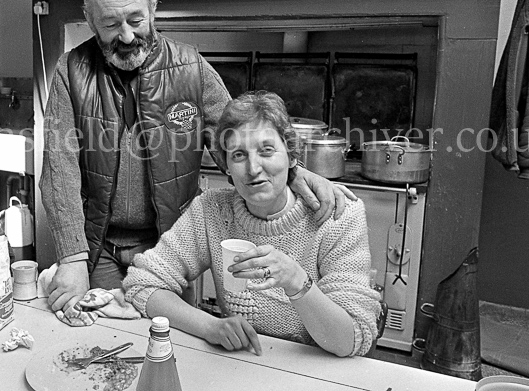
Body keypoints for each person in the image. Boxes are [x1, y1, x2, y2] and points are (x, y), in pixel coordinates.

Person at [41, 0, 355, 316]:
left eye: (135, 19)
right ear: (90, 17)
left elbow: (238, 141)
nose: (126, 36)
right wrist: (71, 257)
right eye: (111, 24)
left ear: (153, 7)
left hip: (172, 244)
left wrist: (296, 173)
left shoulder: (191, 67)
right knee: (107, 340)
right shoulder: (70, 71)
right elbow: (59, 169)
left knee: (169, 342)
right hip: (99, 247)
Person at [123, 91, 380, 357]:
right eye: (238, 155)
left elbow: (351, 339)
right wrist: (211, 326)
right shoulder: (212, 211)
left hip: (319, 370)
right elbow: (143, 284)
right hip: (243, 365)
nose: (253, 168)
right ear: (227, 169)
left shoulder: (338, 216)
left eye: (267, 150)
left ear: (292, 157)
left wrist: (296, 281)